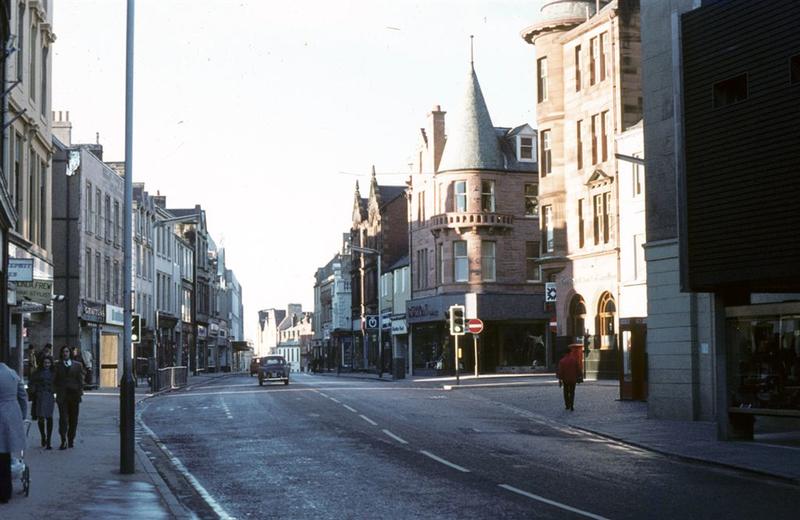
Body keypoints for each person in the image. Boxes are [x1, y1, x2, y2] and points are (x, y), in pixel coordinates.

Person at [0, 360, 27, 503]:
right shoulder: (12, 374)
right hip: (10, 416)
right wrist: (22, 414)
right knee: (5, 456)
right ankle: (5, 492)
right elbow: (22, 395)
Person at [53, 346, 84, 450]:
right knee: (63, 419)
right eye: (63, 352)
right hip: (62, 396)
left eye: (67, 351)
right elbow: (54, 379)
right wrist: (55, 392)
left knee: (73, 419)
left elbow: (81, 380)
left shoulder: (77, 365)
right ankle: (63, 440)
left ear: (70, 353)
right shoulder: (57, 365)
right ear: (61, 354)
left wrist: (80, 393)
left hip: (74, 395)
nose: (65, 353)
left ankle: (71, 439)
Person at [29, 356, 56, 449]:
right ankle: (43, 436)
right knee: (41, 418)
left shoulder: (54, 373)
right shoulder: (37, 373)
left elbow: (57, 383)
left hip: (49, 396)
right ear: (42, 363)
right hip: (40, 397)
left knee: (49, 417)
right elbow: (31, 383)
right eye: (45, 363)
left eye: (48, 363)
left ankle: (49, 440)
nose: (47, 365)